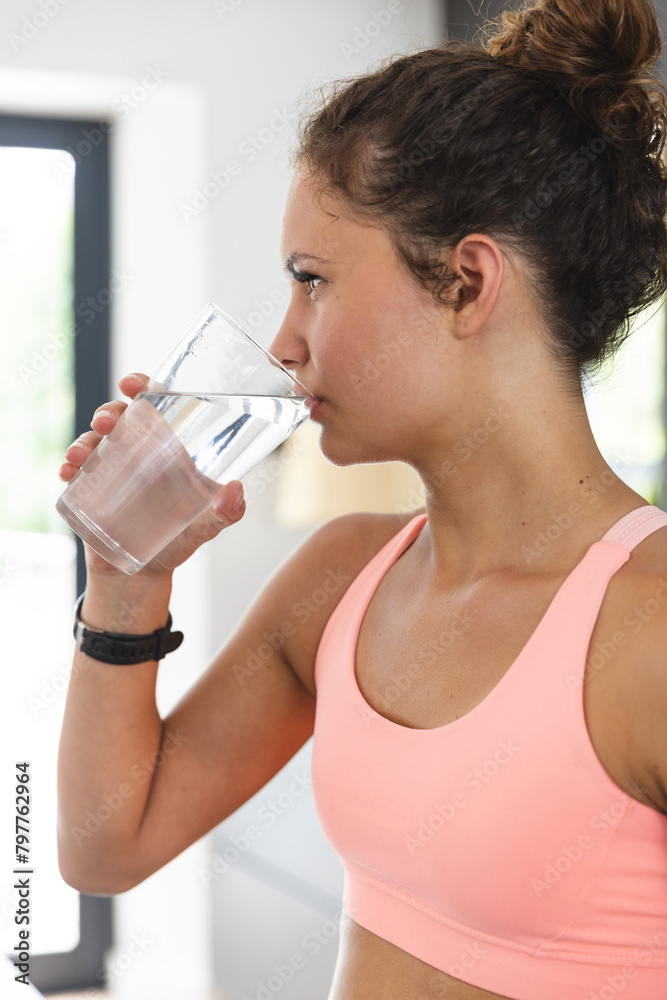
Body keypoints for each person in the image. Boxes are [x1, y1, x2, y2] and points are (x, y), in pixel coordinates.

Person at [56, 0, 667, 997]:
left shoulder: (649, 628)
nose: (284, 342)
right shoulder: (342, 577)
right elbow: (101, 849)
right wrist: (126, 577)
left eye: (312, 280)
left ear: (467, 282)